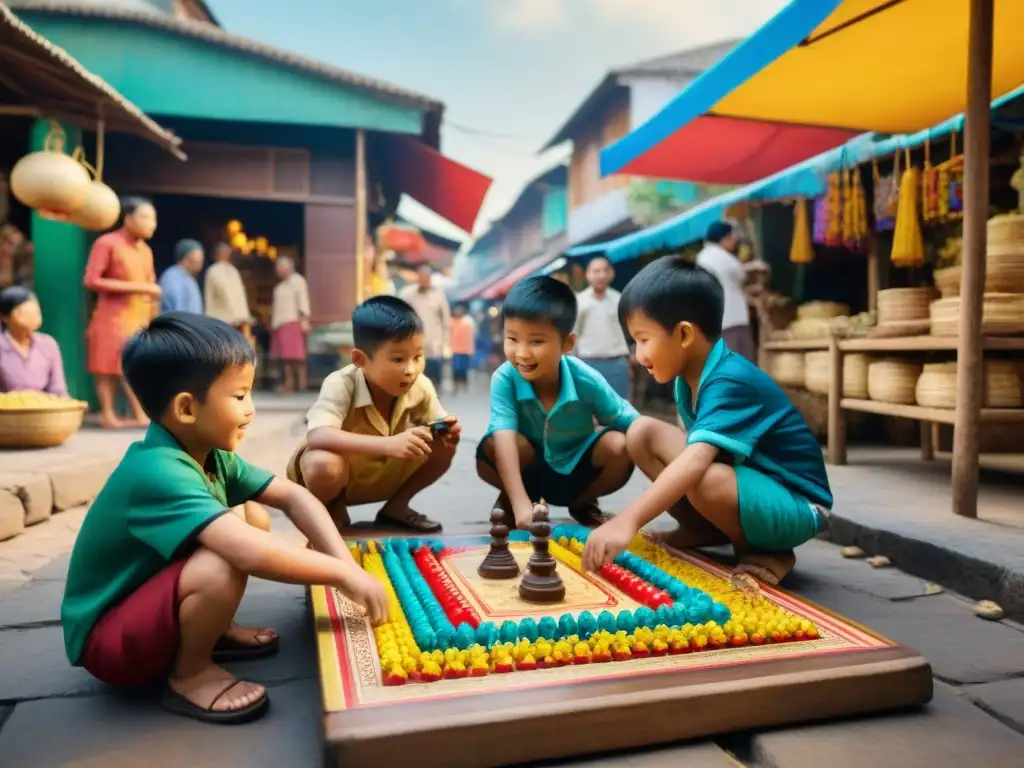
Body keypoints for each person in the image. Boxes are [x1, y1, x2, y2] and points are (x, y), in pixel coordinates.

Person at [60, 313, 386, 725]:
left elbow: (292, 495)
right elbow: (248, 553)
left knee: (252, 516)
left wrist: (341, 559)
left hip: (145, 607)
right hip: (108, 641)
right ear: (185, 408)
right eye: (239, 396)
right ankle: (191, 675)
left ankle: (214, 629)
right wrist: (343, 576)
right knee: (223, 560)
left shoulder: (212, 456)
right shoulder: (158, 472)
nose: (251, 410)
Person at [581, 257, 832, 586]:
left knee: (703, 477)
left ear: (684, 334)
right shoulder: (687, 377)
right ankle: (702, 529)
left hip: (797, 503)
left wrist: (627, 520)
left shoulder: (730, 380)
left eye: (643, 340)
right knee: (641, 432)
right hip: (752, 484)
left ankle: (770, 551)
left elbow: (696, 461)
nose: (639, 355)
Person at [287, 296, 459, 533]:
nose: (410, 370)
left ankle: (396, 508)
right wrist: (388, 444)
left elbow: (438, 421)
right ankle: (329, 510)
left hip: (383, 474)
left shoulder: (421, 385)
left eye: (418, 357)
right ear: (360, 359)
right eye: (398, 359)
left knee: (444, 445)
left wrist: (448, 430)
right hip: (336, 476)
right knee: (322, 463)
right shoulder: (341, 383)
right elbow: (318, 436)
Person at [477, 277, 637, 530]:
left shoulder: (586, 378)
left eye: (536, 341)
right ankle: (517, 496)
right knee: (494, 443)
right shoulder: (504, 377)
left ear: (567, 344)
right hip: (526, 469)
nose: (522, 353)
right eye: (512, 339)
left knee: (620, 445)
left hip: (575, 472)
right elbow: (504, 435)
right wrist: (521, 506)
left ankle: (582, 502)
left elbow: (632, 423)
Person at [84, 196, 162, 428]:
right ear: (127, 219)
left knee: (136, 365)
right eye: (146, 217)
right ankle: (108, 413)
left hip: (139, 315)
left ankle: (138, 412)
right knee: (106, 365)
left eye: (154, 219)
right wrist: (140, 288)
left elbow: (152, 288)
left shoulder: (146, 251)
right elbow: (91, 280)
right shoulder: (107, 243)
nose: (152, 224)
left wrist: (153, 318)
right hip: (112, 314)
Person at [695, 221, 756, 361]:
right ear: (725, 238)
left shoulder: (701, 257)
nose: (735, 241)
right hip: (732, 320)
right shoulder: (721, 256)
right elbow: (742, 274)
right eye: (732, 237)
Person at [574, 255, 631, 398]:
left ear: (611, 274)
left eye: (605, 271)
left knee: (620, 409)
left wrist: (628, 361)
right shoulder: (579, 302)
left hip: (617, 363)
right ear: (587, 275)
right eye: (596, 271)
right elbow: (573, 334)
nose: (601, 275)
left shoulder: (619, 299)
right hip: (587, 363)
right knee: (588, 409)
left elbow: (625, 332)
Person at [0, 285, 67, 396]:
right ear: (4, 318)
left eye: (36, 312)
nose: (32, 317)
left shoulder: (48, 344)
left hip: (42, 410)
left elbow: (58, 390)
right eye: (23, 313)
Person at [399, 265, 450, 388]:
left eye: (426, 278)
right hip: (414, 341)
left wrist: (446, 343)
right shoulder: (408, 294)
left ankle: (434, 398)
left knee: (434, 375)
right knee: (416, 374)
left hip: (433, 343)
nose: (424, 280)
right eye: (421, 277)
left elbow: (445, 320)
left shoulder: (438, 294)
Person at [269, 256, 311, 393]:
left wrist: (304, 320)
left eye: (281, 268)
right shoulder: (279, 287)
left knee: (296, 356)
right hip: (280, 323)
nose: (279, 271)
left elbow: (303, 301)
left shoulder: (298, 281)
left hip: (293, 321)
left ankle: (301, 382)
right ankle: (289, 383)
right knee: (285, 357)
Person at [204, 242, 253, 342]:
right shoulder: (213, 271)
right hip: (222, 321)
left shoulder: (233, 270)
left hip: (239, 321)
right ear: (218, 254)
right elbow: (209, 297)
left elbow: (241, 296)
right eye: (224, 252)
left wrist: (245, 316)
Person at [159, 239, 205, 315]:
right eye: (196, 261)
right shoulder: (172, 278)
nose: (200, 265)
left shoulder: (190, 278)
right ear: (186, 259)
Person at [449, 302, 476, 394]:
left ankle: (465, 386)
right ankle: (455, 386)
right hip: (455, 350)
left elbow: (474, 334)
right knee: (455, 369)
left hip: (466, 350)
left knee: (464, 369)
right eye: (456, 309)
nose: (458, 311)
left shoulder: (468, 321)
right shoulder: (450, 321)